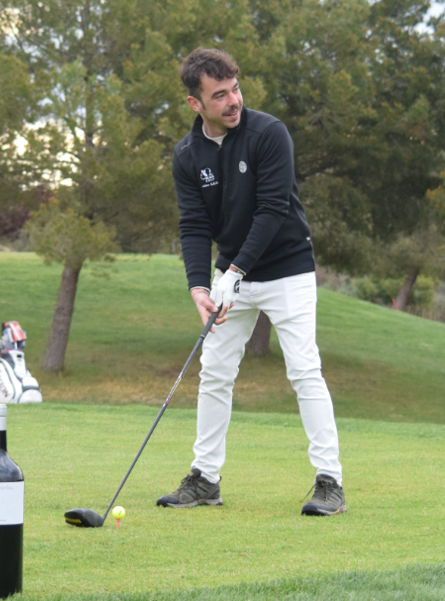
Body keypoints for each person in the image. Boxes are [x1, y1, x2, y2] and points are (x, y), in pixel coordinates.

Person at [156, 48, 345, 516]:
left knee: (304, 370)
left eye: (235, 88)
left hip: (288, 267)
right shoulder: (186, 155)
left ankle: (330, 482)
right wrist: (200, 286)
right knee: (215, 373)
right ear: (194, 104)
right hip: (230, 274)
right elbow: (194, 226)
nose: (233, 100)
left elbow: (271, 209)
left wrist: (234, 271)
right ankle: (205, 480)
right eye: (219, 95)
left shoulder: (269, 133)